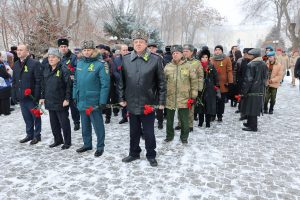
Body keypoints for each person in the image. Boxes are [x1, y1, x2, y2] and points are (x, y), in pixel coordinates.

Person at [118, 29, 166, 167]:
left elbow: (161, 83)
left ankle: (151, 154)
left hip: (148, 102)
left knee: (149, 132)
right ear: (133, 43)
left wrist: (161, 101)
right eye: (136, 42)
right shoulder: (126, 59)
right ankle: (134, 153)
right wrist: (121, 97)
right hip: (132, 101)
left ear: (146, 44)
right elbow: (121, 81)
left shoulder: (156, 59)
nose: (138, 44)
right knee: (133, 131)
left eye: (141, 42)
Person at [73, 40, 110, 157]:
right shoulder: (79, 63)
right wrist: (74, 95)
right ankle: (87, 144)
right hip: (82, 99)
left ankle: (100, 146)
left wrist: (103, 101)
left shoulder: (101, 64)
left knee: (97, 125)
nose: (86, 52)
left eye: (89, 50)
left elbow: (105, 84)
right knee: (85, 124)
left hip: (94, 101)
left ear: (93, 50)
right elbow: (75, 82)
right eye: (84, 50)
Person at [164, 45, 198, 143]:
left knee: (184, 120)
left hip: (184, 97)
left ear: (182, 54)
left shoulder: (189, 66)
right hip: (170, 97)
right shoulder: (168, 67)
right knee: (169, 120)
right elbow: (163, 82)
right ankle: (169, 136)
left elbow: (194, 82)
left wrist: (193, 96)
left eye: (177, 53)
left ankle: (184, 138)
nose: (175, 55)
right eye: (173, 53)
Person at [40, 48, 72, 149]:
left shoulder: (64, 69)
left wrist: (67, 99)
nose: (51, 59)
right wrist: (42, 97)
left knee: (64, 123)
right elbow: (43, 84)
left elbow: (68, 85)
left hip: (61, 101)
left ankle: (67, 142)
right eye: (49, 57)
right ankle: (58, 140)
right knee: (53, 123)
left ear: (58, 58)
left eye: (53, 57)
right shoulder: (46, 68)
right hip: (50, 100)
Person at [12, 44, 42, 144]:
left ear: (27, 52)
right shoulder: (16, 64)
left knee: (36, 117)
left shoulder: (34, 63)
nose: (19, 52)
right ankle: (29, 134)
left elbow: (38, 81)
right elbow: (14, 81)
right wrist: (14, 94)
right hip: (21, 96)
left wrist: (37, 96)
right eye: (18, 50)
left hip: (32, 97)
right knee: (26, 117)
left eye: (21, 50)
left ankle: (37, 136)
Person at [241, 48, 268, 132]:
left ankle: (253, 126)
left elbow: (248, 79)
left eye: (250, 54)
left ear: (254, 56)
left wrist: (244, 91)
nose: (248, 56)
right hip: (260, 89)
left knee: (251, 107)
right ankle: (249, 123)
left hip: (252, 89)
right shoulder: (263, 64)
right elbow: (266, 77)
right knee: (253, 107)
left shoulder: (251, 65)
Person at [58, 38, 80, 131]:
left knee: (73, 105)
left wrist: (71, 71)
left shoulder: (73, 57)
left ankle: (76, 122)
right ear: (59, 47)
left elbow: (77, 69)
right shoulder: (58, 57)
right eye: (61, 47)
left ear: (67, 47)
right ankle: (64, 122)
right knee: (63, 106)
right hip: (61, 85)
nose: (63, 48)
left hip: (71, 85)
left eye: (65, 46)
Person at [197, 48, 220, 128]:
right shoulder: (197, 66)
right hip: (200, 88)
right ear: (200, 58)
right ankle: (200, 122)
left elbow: (216, 76)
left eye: (206, 57)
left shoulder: (211, 66)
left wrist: (216, 86)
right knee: (200, 105)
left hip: (210, 89)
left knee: (208, 106)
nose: (204, 59)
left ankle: (207, 122)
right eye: (203, 57)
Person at [211, 45, 233, 122]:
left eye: (219, 50)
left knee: (221, 101)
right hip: (213, 84)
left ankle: (220, 115)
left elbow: (229, 71)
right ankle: (213, 115)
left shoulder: (227, 59)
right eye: (216, 50)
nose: (217, 51)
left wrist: (230, 82)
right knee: (213, 101)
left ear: (222, 51)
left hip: (223, 84)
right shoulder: (211, 59)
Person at [113, 44, 129, 124]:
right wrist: (121, 78)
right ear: (120, 51)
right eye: (124, 50)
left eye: (126, 50)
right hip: (120, 84)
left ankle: (132, 116)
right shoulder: (116, 60)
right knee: (122, 100)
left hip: (130, 84)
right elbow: (114, 71)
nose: (125, 51)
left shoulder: (131, 58)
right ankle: (124, 117)